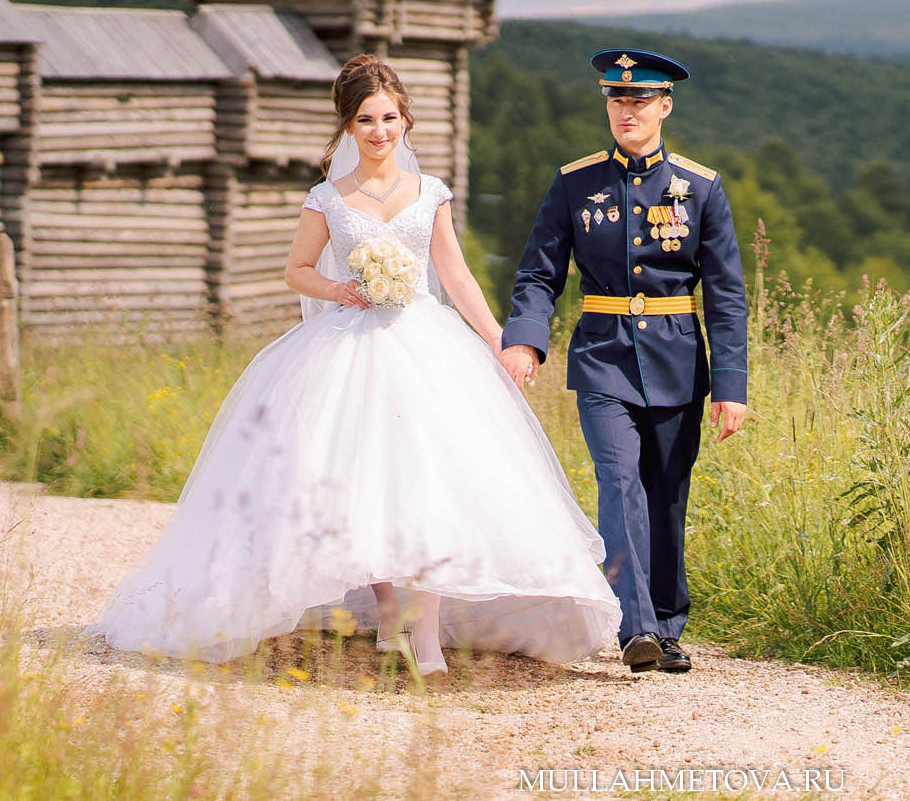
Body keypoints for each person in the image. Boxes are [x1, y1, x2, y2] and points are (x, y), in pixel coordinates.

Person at [84, 55, 621, 680]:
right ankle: (390, 609)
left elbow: (455, 275)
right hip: (349, 344)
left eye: (389, 118)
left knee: (430, 483)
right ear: (348, 126)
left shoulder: (431, 193)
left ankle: (427, 636)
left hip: (425, 346)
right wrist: (342, 290)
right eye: (365, 120)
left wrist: (501, 340)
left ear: (404, 121)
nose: (378, 131)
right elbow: (297, 270)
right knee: (365, 482)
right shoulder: (328, 199)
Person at [501, 48, 748, 674]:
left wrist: (731, 385)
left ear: (665, 106)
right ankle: (634, 625)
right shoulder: (575, 183)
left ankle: (666, 624)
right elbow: (538, 271)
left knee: (666, 493)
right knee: (618, 480)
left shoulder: (700, 189)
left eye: (639, 101)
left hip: (676, 359)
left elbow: (725, 297)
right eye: (617, 100)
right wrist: (526, 338)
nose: (626, 110)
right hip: (603, 355)